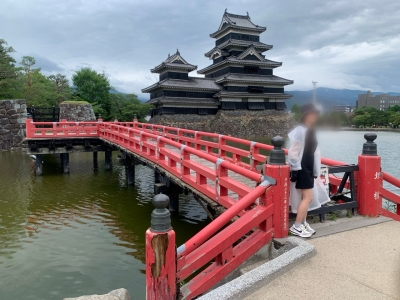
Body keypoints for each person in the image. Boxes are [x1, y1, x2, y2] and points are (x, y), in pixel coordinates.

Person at [288, 103, 330, 238]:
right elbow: (293, 153)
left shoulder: (311, 130)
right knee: (308, 197)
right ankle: (297, 226)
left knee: (305, 198)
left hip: (309, 167)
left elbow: (313, 152)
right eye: (313, 114)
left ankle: (303, 223)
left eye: (316, 114)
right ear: (306, 115)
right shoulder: (301, 130)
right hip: (302, 168)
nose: (315, 116)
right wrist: (295, 168)